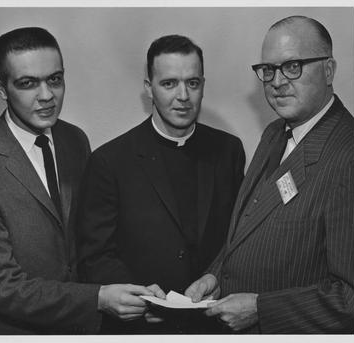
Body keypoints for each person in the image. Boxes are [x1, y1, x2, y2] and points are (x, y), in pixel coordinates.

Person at [0, 27, 161, 335]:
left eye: (55, 79)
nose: (47, 95)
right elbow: (1, 287)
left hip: (81, 329)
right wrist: (98, 298)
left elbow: (89, 240)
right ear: (1, 88)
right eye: (27, 83)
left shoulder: (75, 140)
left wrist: (136, 290)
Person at [185, 15, 354, 334]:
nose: (277, 81)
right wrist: (216, 276)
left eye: (293, 66)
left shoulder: (351, 155)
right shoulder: (273, 134)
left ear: (329, 70)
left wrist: (261, 310)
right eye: (268, 70)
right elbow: (250, 228)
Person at [77, 34, 245, 333]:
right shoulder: (109, 160)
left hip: (212, 326)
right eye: (169, 83)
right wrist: (141, 297)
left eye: (192, 83)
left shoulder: (228, 150)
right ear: (149, 89)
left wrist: (218, 279)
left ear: (202, 85)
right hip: (137, 328)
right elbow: (96, 254)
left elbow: (239, 237)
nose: (183, 95)